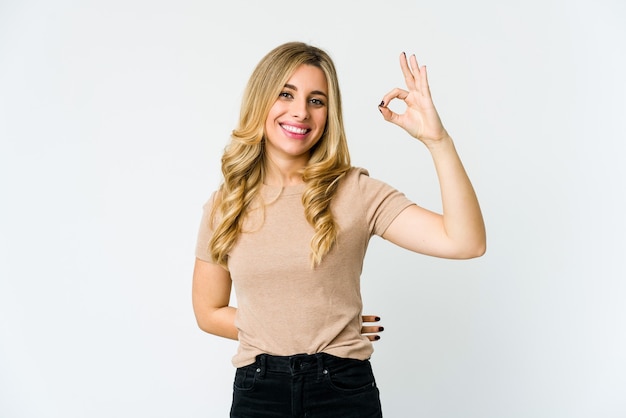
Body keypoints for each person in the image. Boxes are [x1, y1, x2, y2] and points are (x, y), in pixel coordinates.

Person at [192, 41, 486, 417]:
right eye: (286, 94)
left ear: (329, 114)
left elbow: (465, 242)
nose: (300, 112)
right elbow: (208, 311)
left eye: (317, 100)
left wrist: (437, 141)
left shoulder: (355, 192)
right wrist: (299, 320)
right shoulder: (225, 205)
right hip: (258, 392)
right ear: (260, 101)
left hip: (341, 390)